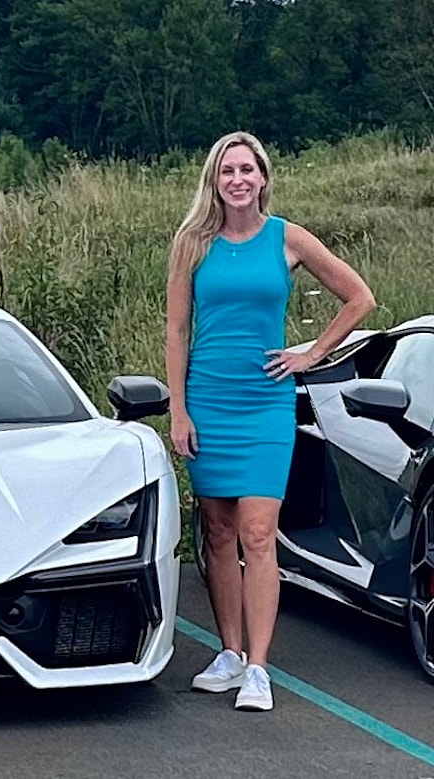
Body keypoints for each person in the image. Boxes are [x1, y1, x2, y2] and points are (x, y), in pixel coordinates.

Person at [165, 131, 375, 712]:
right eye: (227, 170)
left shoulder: (288, 238)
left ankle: (258, 667)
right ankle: (229, 653)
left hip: (265, 405)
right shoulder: (192, 243)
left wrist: (311, 354)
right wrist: (179, 410)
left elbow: (359, 298)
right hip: (207, 401)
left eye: (247, 170)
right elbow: (177, 331)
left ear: (263, 178)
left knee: (258, 534)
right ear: (215, 179)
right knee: (216, 531)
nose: (237, 180)